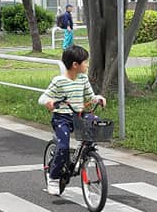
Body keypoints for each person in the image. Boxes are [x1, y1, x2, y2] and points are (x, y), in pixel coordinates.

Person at [38, 45, 106, 194]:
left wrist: (98, 99)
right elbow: (42, 97)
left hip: (78, 115)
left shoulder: (82, 78)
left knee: (95, 120)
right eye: (85, 62)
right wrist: (48, 102)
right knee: (63, 146)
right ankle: (53, 177)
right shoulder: (59, 81)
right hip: (61, 118)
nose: (87, 65)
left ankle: (87, 153)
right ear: (75, 65)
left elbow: (90, 96)